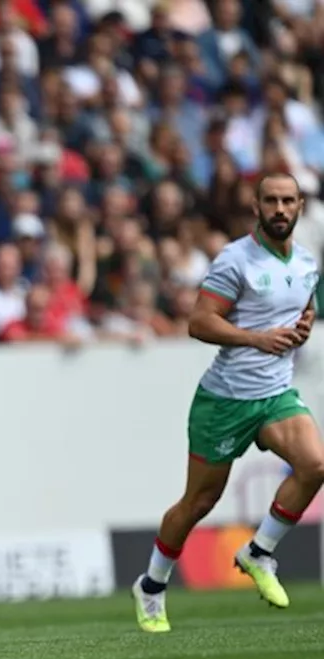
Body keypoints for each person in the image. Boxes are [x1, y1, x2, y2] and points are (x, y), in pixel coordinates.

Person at [132, 173, 322, 633]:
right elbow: (199, 322)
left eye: (288, 201)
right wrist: (258, 339)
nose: (280, 209)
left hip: (275, 396)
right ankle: (152, 586)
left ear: (300, 206)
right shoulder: (235, 260)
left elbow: (302, 307)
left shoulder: (307, 261)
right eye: (271, 201)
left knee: (316, 465)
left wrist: (303, 325)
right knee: (198, 503)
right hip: (225, 401)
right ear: (256, 207)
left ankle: (257, 552)